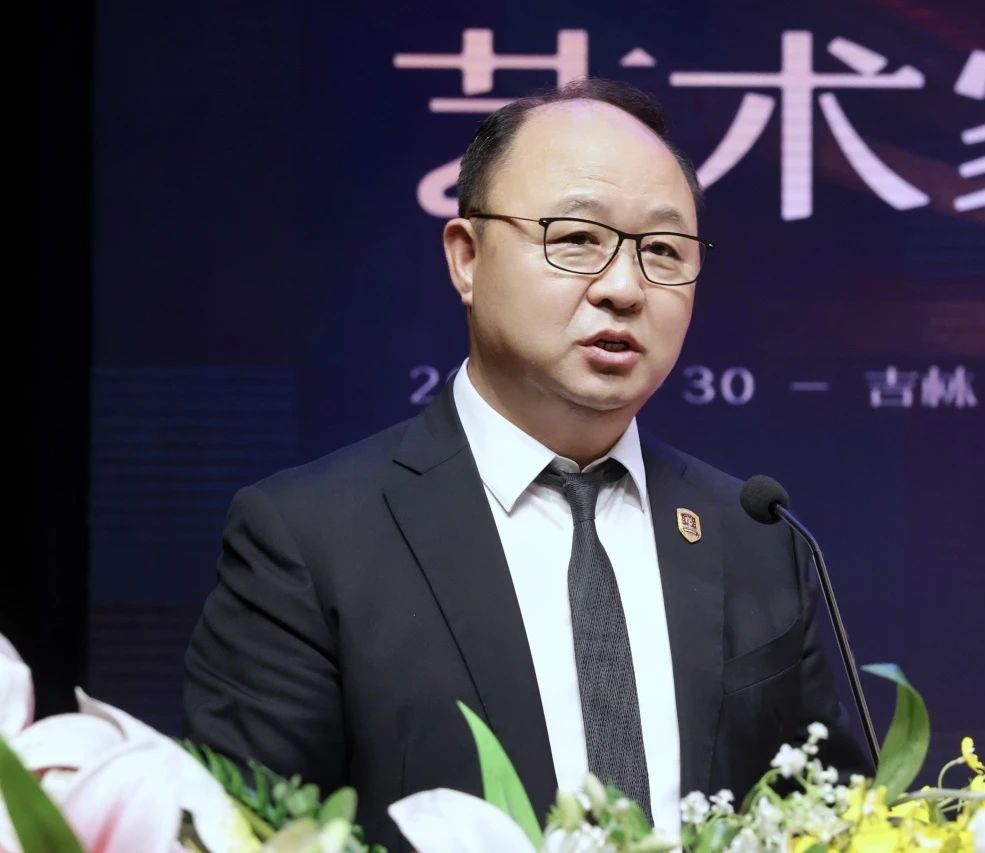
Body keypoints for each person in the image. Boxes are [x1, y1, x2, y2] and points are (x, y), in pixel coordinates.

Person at [184, 78, 869, 849]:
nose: (624, 288)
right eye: (576, 238)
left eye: (662, 251)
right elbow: (245, 830)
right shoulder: (309, 541)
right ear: (466, 258)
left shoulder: (756, 538)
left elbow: (829, 820)